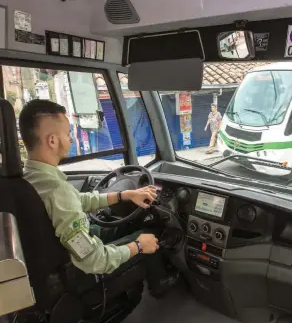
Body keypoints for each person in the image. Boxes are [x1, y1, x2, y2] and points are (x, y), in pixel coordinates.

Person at [19, 99, 178, 298]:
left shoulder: (30, 177)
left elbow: (77, 200)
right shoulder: (55, 189)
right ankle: (160, 283)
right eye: (68, 133)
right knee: (147, 232)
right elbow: (93, 259)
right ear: (52, 140)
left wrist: (125, 195)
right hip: (77, 269)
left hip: (58, 254)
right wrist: (138, 246)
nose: (72, 139)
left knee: (127, 223)